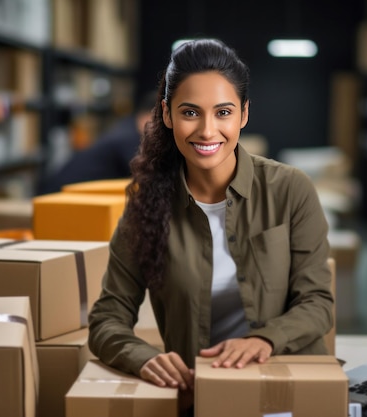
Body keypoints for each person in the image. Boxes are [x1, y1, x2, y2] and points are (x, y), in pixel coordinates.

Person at [87, 38, 333, 412]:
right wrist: (141, 357)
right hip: (199, 397)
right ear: (167, 115)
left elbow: (317, 303)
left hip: (283, 389)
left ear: (243, 115)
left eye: (222, 112)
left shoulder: (289, 189)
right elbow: (107, 318)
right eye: (190, 113)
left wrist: (266, 339)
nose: (206, 130)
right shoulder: (147, 207)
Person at [38, 91, 157, 194]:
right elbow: (148, 175)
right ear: (150, 115)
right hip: (58, 195)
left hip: (67, 194)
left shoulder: (128, 128)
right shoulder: (128, 137)